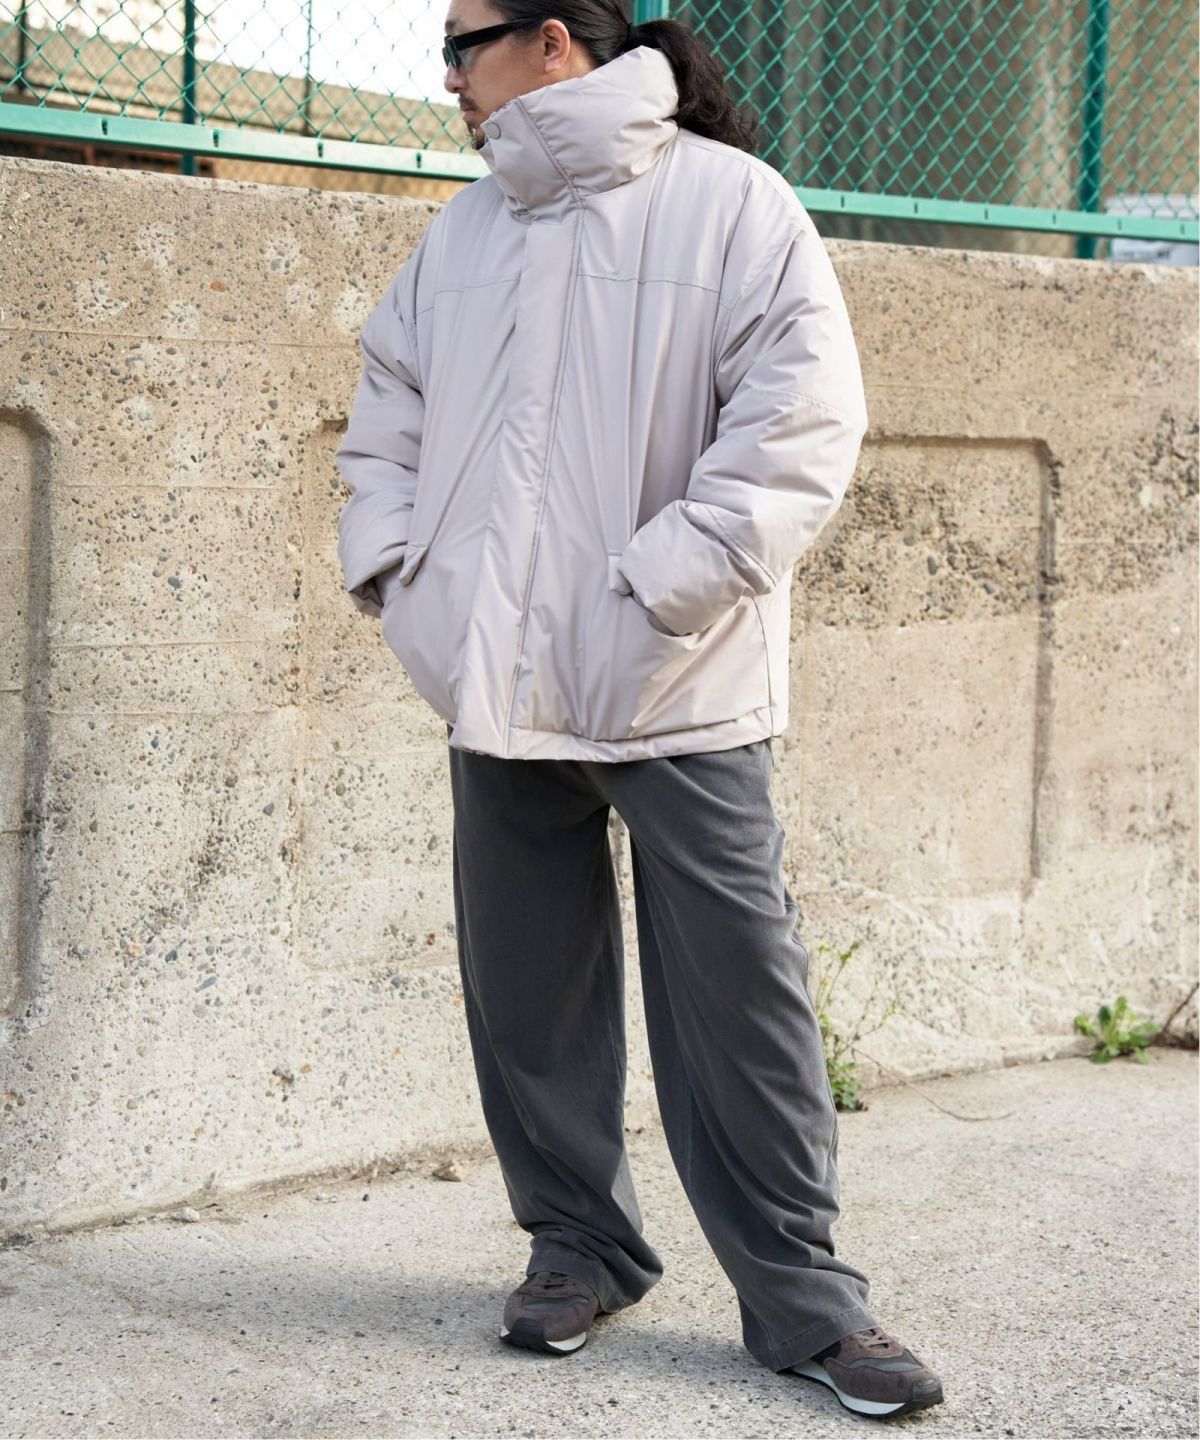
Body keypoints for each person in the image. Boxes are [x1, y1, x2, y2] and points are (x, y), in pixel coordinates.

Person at [335, 1, 944, 1421]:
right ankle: (579, 1248)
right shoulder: (467, 231)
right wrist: (409, 583)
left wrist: (659, 593)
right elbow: (388, 410)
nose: (447, 75)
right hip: (495, 682)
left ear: (553, 43)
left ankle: (805, 1300)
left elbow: (801, 422)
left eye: (463, 44)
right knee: (525, 983)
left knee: (741, 997)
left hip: (679, 678)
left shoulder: (735, 204)